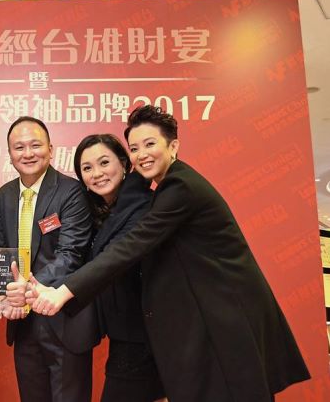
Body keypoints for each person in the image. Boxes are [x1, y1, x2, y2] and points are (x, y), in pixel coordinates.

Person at [28, 105, 311, 402]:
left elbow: (129, 247)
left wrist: (63, 292)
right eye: (135, 148)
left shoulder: (180, 187)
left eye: (150, 144)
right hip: (200, 316)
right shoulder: (161, 187)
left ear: (173, 146)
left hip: (226, 313)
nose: (142, 154)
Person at [0, 116, 96, 402]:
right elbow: (2, 253)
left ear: (50, 149)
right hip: (23, 322)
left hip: (64, 319)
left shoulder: (71, 191)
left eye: (35, 145)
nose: (28, 153)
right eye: (19, 147)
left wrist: (26, 288)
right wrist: (5, 294)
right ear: (10, 154)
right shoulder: (3, 196)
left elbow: (71, 254)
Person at [74, 134, 164, 402]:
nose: (97, 174)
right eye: (87, 168)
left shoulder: (144, 206)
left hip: (148, 333)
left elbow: (114, 259)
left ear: (124, 163)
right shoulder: (101, 211)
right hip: (125, 333)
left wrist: (61, 293)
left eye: (104, 162)